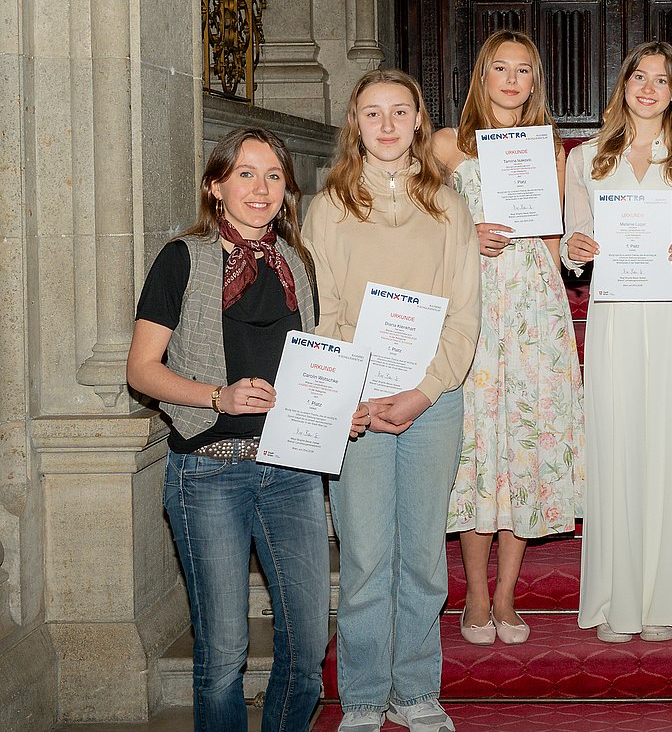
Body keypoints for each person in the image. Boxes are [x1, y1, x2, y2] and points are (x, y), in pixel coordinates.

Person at [127, 127, 370, 732]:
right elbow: (141, 370)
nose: (261, 188)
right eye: (245, 174)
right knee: (223, 656)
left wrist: (339, 406)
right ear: (215, 186)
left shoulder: (297, 262)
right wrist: (217, 394)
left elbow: (311, 362)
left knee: (307, 647)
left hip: (291, 470)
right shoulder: (181, 258)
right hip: (207, 473)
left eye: (273, 176)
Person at [303, 69, 481, 732]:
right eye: (372, 113)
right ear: (357, 123)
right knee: (367, 555)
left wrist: (424, 389)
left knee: (423, 556)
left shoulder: (449, 203)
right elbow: (323, 310)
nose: (385, 125)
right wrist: (356, 386)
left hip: (433, 399)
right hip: (358, 405)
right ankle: (363, 697)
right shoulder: (329, 206)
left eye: (399, 112)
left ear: (416, 121)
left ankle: (416, 691)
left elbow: (465, 311)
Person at [564, 41, 672, 643]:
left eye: (662, 80)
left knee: (671, 442)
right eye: (639, 76)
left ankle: (666, 597)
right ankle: (619, 598)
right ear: (624, 84)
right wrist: (575, 249)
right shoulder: (585, 159)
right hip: (615, 315)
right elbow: (575, 235)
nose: (648, 88)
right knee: (619, 442)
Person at [434, 30, 585, 646]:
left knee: (522, 444)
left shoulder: (552, 150)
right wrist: (470, 229)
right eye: (501, 67)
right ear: (482, 74)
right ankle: (472, 592)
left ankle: (505, 594)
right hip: (474, 300)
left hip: (533, 306)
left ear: (534, 80)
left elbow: (554, 237)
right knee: (477, 446)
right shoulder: (447, 144)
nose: (512, 79)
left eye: (524, 69)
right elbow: (423, 217)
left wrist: (567, 263)